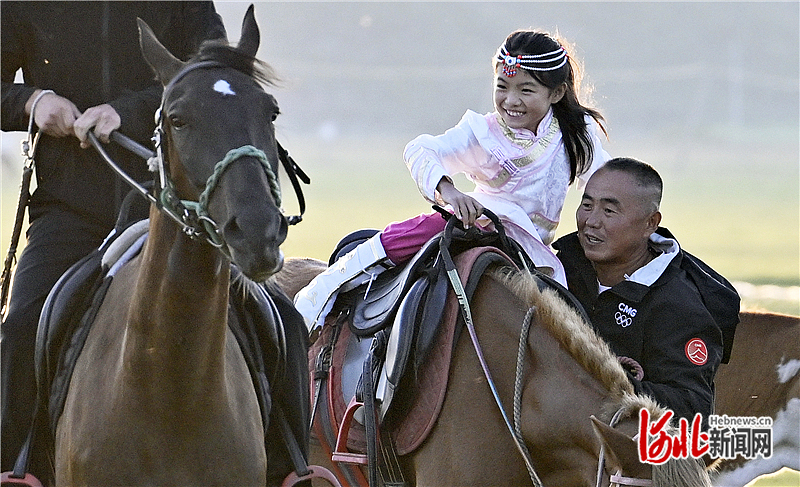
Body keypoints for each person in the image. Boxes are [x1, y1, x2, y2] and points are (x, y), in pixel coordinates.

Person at [1, 2, 226, 474]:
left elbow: (215, 71)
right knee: (20, 327)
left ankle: (290, 468)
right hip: (68, 209)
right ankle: (14, 471)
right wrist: (33, 101)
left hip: (175, 207)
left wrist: (130, 111)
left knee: (280, 320)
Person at [295, 29, 610, 330]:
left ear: (556, 93)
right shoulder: (483, 133)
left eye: (525, 90)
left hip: (535, 253)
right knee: (404, 236)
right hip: (478, 224)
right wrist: (450, 192)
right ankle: (318, 295)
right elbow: (421, 150)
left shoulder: (576, 133)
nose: (510, 100)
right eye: (502, 87)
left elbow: (607, 182)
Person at [552, 157, 739, 423]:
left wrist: (614, 381)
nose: (591, 221)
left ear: (650, 223)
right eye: (587, 205)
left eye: (609, 211)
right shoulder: (558, 267)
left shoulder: (679, 305)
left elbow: (693, 409)